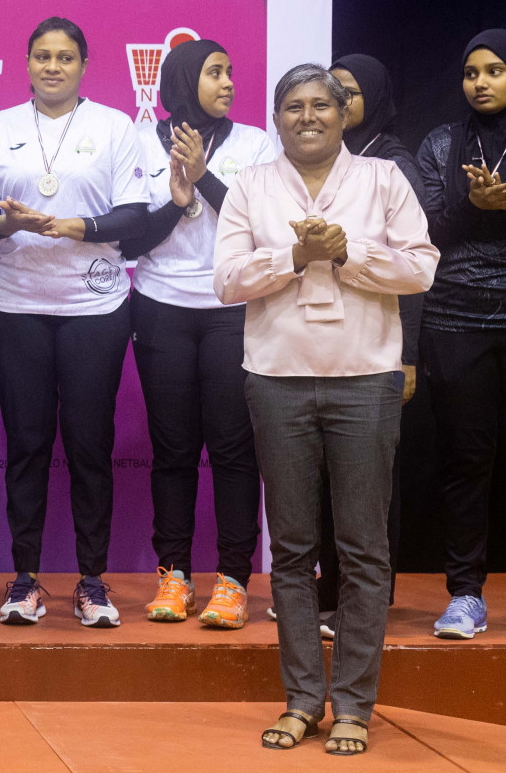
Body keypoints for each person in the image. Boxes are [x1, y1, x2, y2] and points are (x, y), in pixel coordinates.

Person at [215, 63, 436, 756]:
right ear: (277, 118)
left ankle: (354, 705)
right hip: (277, 378)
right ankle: (303, 698)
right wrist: (293, 254)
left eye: (320, 105)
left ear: (344, 115)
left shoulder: (384, 180)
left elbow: (422, 268)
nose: (306, 116)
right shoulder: (251, 185)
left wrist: (349, 255)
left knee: (365, 549)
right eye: (292, 106)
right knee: (291, 550)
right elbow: (225, 280)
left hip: (364, 378)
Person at [0, 17, 149, 628]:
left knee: (90, 446)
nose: (52, 66)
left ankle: (93, 582)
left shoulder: (114, 126)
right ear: (27, 63)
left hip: (94, 308)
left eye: (65, 57)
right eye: (42, 55)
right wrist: (8, 223)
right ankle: (24, 580)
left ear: (83, 65)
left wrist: (79, 227)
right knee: (28, 445)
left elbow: (134, 215)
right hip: (18, 307)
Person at [121, 39, 275, 630]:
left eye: (231, 71)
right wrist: (177, 202)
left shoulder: (254, 143)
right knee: (174, 449)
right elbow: (128, 243)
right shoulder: (140, 141)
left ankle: (233, 579)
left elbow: (260, 225)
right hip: (160, 307)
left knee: (233, 448)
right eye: (215, 72)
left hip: (232, 307)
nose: (228, 81)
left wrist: (205, 178)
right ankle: (175, 575)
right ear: (186, 80)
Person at [310, 54, 425, 631]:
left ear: (372, 97)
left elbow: (415, 267)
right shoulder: (328, 164)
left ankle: (368, 599)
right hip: (328, 344)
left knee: (374, 483)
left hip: (379, 347)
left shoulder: (392, 164)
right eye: (332, 92)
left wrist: (407, 357)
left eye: (348, 93)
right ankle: (333, 593)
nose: (338, 102)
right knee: (334, 478)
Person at [417, 29, 506, 641]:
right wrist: (477, 206)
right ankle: (466, 595)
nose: (481, 82)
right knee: (465, 460)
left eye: (496, 70)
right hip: (456, 319)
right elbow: (426, 236)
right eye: (472, 71)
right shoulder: (442, 143)